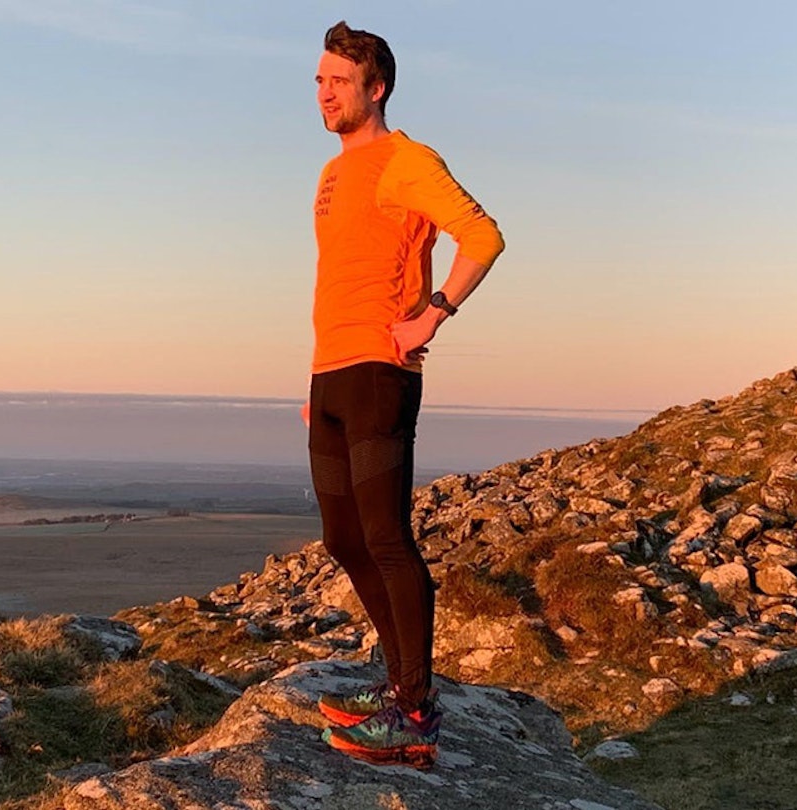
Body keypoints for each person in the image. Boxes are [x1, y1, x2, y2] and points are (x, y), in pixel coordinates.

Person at [305, 20, 504, 768]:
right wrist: (314, 378)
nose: (324, 94)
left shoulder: (406, 160)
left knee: (386, 538)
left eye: (338, 82)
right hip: (332, 375)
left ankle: (416, 713)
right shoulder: (330, 174)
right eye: (318, 81)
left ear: (375, 87)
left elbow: (482, 236)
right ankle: (397, 685)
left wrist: (434, 312)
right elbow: (339, 282)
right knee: (342, 539)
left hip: (383, 375)